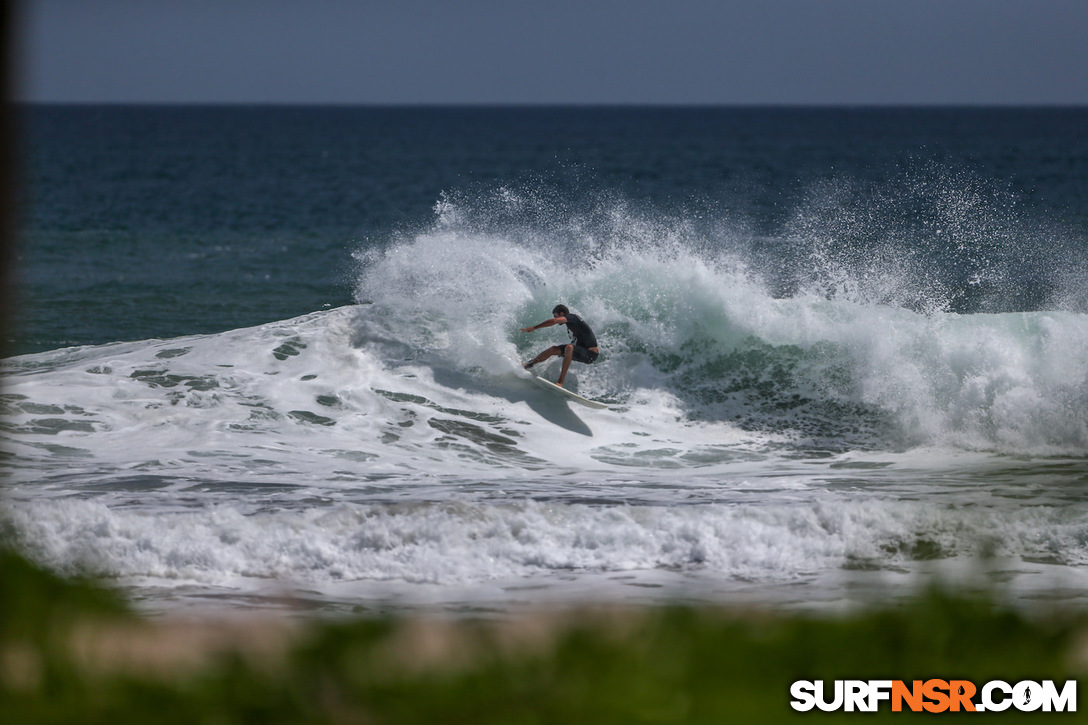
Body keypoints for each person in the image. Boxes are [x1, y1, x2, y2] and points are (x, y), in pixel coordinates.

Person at [521, 304, 599, 387]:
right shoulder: (570, 322)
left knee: (569, 347)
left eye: (556, 316)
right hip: (581, 351)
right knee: (553, 349)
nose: (555, 318)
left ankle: (560, 382)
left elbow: (554, 321)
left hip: (590, 354)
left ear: (562, 314)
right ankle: (529, 364)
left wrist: (534, 328)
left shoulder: (572, 317)